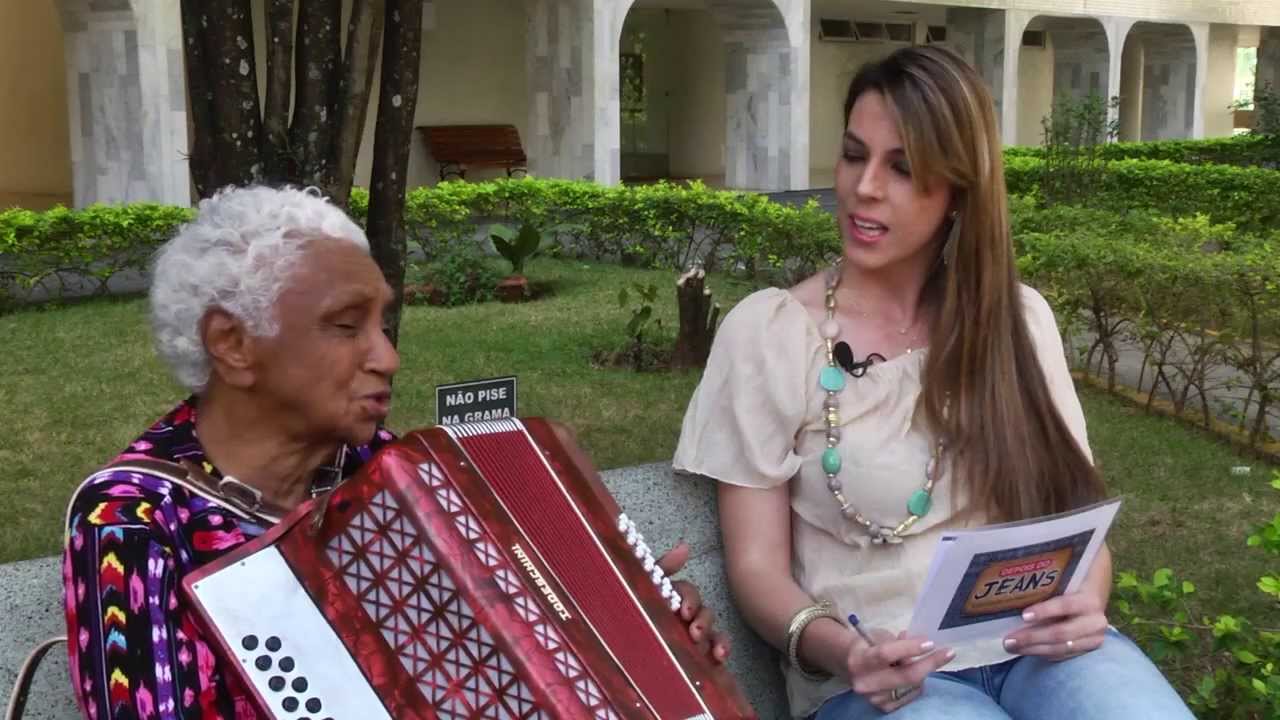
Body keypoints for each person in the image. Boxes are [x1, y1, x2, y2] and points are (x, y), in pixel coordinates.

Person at [62, 185, 729, 720]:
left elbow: (511, 643)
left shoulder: (388, 475)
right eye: (345, 325)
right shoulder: (131, 519)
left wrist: (642, 629)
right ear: (233, 344)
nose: (387, 357)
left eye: (381, 323)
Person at [673, 46, 1192, 719]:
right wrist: (843, 651)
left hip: (1036, 649)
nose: (864, 187)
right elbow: (757, 569)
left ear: (957, 192)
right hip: (880, 681)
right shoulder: (771, 333)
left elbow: (1075, 524)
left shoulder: (1014, 321)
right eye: (854, 155)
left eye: (903, 168)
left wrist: (1087, 600)